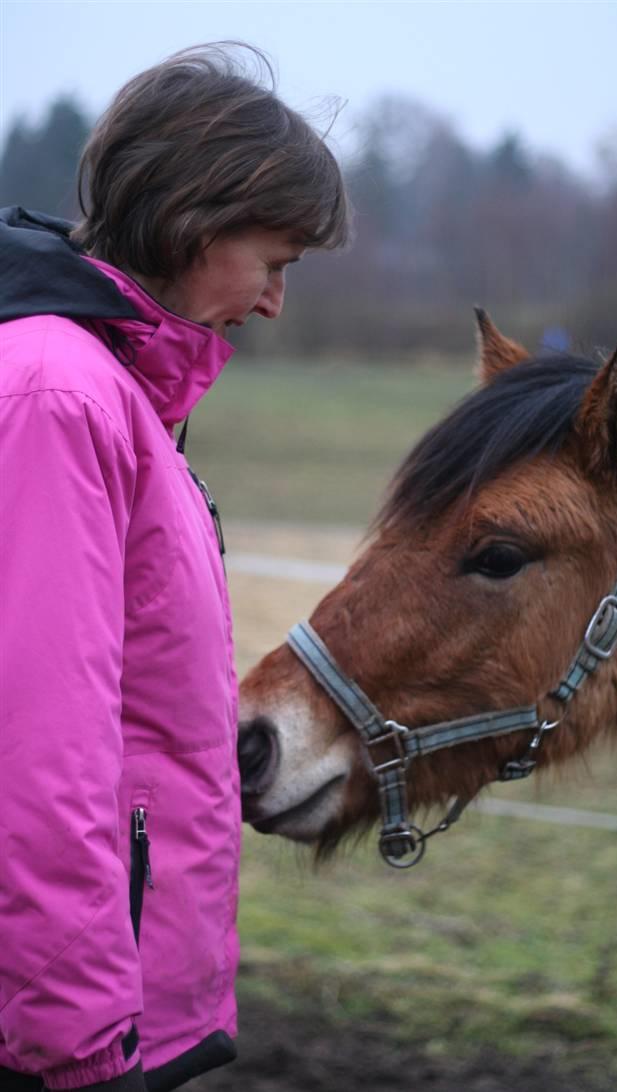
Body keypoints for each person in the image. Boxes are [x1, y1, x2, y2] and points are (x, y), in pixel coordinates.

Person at [0, 43, 349, 1092]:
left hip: (122, 984)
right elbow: (42, 746)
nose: (277, 301)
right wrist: (78, 1033)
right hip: (67, 1030)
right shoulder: (59, 397)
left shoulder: (114, 394)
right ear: (196, 220)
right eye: (273, 260)